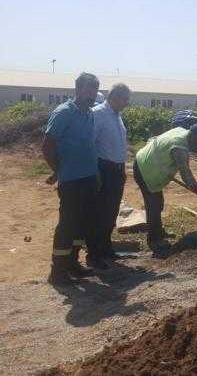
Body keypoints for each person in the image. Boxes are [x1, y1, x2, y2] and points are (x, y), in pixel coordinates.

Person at [42, 73, 100, 285]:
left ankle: (73, 263)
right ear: (77, 90)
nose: (91, 94)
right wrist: (59, 171)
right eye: (88, 90)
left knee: (82, 223)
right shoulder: (64, 113)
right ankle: (57, 271)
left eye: (94, 90)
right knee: (67, 225)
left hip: (89, 177)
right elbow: (47, 146)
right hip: (72, 181)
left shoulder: (89, 114)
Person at [133, 124, 197, 254]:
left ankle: (159, 231)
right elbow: (186, 175)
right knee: (153, 205)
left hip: (145, 161)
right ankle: (154, 240)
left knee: (158, 203)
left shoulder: (181, 131)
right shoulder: (179, 148)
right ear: (191, 135)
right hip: (145, 170)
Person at [90, 83, 131, 267]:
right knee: (100, 213)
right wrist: (96, 172)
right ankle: (94, 255)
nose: (127, 103)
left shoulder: (116, 116)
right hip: (104, 169)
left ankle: (106, 249)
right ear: (114, 97)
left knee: (111, 212)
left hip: (116, 170)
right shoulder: (98, 114)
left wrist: (122, 169)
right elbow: (90, 144)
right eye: (125, 99)